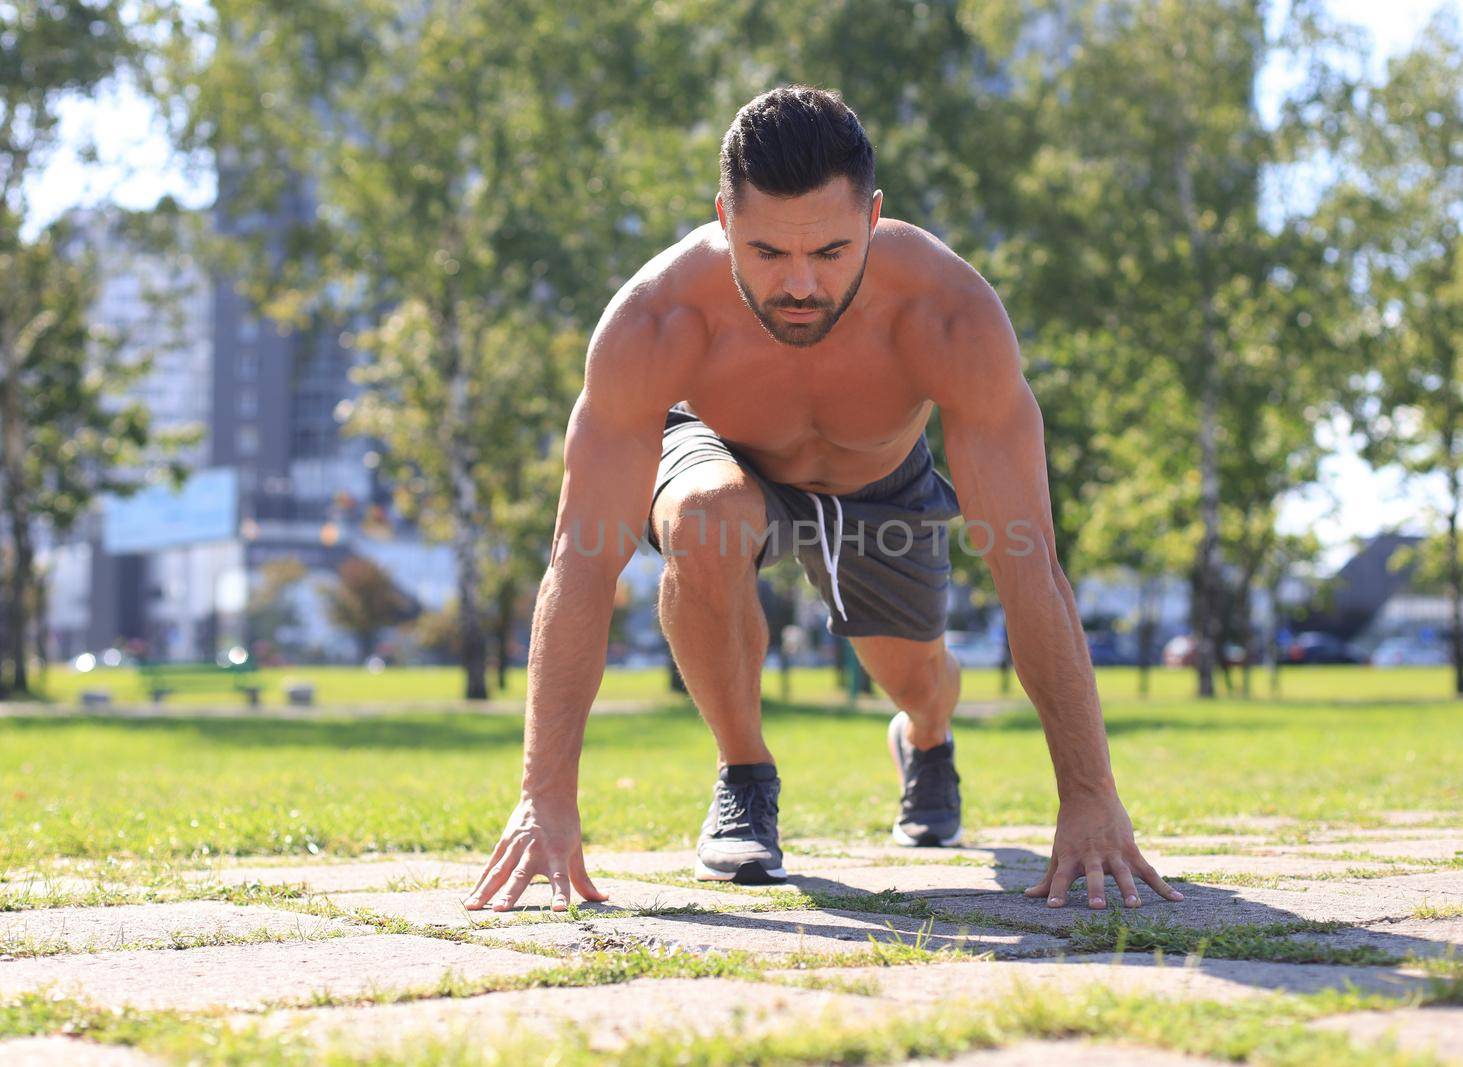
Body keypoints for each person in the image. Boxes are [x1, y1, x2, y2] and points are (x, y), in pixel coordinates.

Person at [465, 85, 1181, 912]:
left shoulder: (950, 315)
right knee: (707, 518)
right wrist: (542, 794)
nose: (800, 284)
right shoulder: (655, 320)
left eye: (831, 252)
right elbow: (580, 563)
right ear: (723, 220)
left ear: (874, 218)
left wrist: (1089, 794)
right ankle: (744, 773)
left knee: (914, 675)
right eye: (768, 252)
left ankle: (925, 733)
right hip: (723, 451)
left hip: (879, 481)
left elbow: (1030, 568)